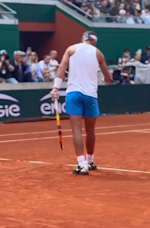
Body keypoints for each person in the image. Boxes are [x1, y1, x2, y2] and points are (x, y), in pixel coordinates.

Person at [49, 31, 111, 175]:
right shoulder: (98, 53)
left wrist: (55, 88)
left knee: (76, 130)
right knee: (90, 130)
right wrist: (105, 80)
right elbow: (107, 77)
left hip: (74, 93)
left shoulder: (71, 49)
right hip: (90, 95)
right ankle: (90, 160)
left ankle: (81, 164)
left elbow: (62, 67)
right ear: (94, 41)